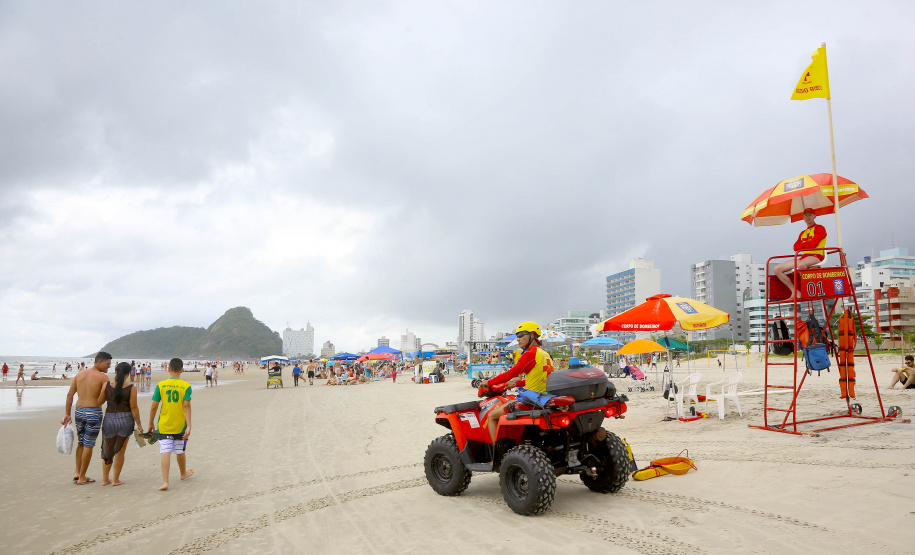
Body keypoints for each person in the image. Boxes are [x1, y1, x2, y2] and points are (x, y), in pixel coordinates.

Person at [483, 321, 555, 443]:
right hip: (544, 397)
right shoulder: (545, 354)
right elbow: (538, 378)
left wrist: (488, 383)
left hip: (532, 400)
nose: (518, 339)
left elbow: (509, 374)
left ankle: (497, 452)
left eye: (521, 335)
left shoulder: (530, 354)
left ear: (532, 335)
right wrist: (516, 384)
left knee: (491, 415)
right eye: (517, 336)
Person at [61, 352, 112, 484]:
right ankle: (82, 477)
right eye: (107, 364)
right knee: (88, 444)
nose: (109, 366)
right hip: (93, 412)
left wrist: (67, 414)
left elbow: (70, 394)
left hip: (79, 411)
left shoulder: (79, 375)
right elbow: (103, 399)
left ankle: (77, 472)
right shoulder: (103, 377)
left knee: (81, 442)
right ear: (99, 362)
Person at [148, 358, 194, 491]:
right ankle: (183, 473)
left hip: (164, 425)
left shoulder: (161, 385)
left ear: (168, 369)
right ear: (182, 370)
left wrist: (151, 422)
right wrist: (189, 425)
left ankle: (165, 482)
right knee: (179, 450)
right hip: (180, 425)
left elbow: (154, 406)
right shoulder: (186, 386)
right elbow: (187, 405)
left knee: (165, 450)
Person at [97, 362, 143, 486]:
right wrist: (139, 424)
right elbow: (134, 408)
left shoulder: (106, 385)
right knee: (120, 451)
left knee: (108, 449)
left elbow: (100, 401)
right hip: (125, 420)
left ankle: (105, 479)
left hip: (109, 419)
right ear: (128, 373)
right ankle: (116, 480)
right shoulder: (131, 388)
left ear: (116, 371)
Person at [772, 209, 828, 301]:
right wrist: (808, 243)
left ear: (814, 216)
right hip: (803, 258)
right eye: (806, 215)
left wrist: (804, 244)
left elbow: (813, 245)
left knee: (802, 264)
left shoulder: (820, 228)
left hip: (816, 256)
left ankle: (807, 290)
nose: (808, 217)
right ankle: (795, 292)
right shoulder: (803, 233)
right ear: (803, 217)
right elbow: (795, 247)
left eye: (810, 215)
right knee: (777, 269)